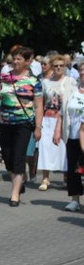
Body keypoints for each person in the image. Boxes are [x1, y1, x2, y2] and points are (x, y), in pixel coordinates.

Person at [0, 46, 43, 207]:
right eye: (14, 58)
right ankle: (19, 180)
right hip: (5, 123)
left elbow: (38, 107)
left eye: (19, 59)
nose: (15, 61)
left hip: (24, 124)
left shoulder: (34, 81)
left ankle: (14, 194)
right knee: (8, 158)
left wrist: (38, 127)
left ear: (27, 62)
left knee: (18, 157)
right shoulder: (3, 79)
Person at [37, 54, 76, 191]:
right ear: (51, 67)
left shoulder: (70, 81)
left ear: (65, 67)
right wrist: (39, 121)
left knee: (63, 149)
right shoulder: (45, 82)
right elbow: (40, 103)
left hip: (64, 119)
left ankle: (65, 177)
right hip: (47, 118)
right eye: (56, 66)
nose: (59, 68)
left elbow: (72, 102)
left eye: (61, 66)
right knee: (45, 147)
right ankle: (45, 178)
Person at [63, 64, 84, 211]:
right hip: (73, 135)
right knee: (73, 169)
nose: (82, 72)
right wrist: (58, 131)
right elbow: (63, 112)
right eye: (81, 69)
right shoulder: (72, 91)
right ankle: (75, 200)